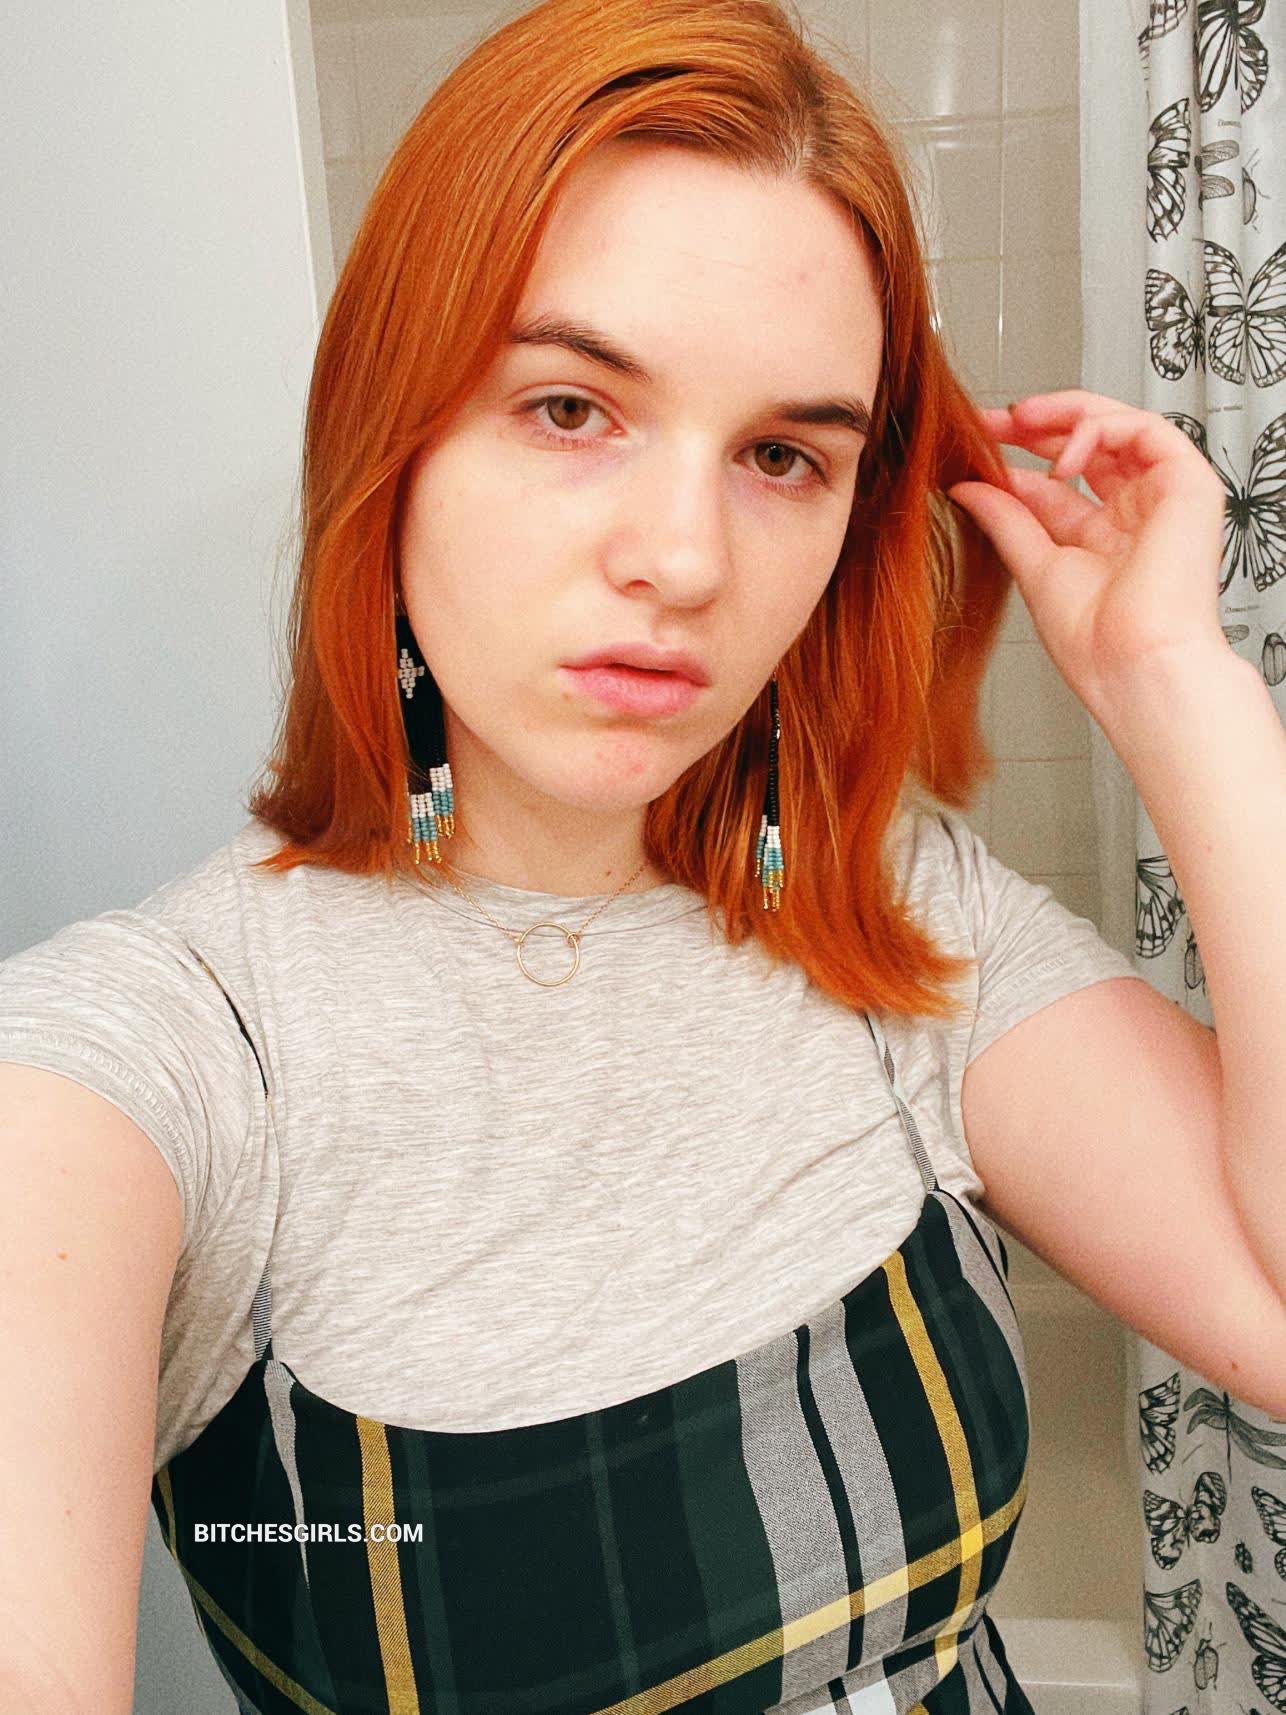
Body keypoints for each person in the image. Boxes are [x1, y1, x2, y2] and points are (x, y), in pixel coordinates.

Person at [2, 0, 1253, 1711]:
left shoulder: (894, 909)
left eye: (781, 456)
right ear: (392, 433)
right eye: (569, 406)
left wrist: (1172, 681)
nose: (683, 559)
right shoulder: (154, 1064)